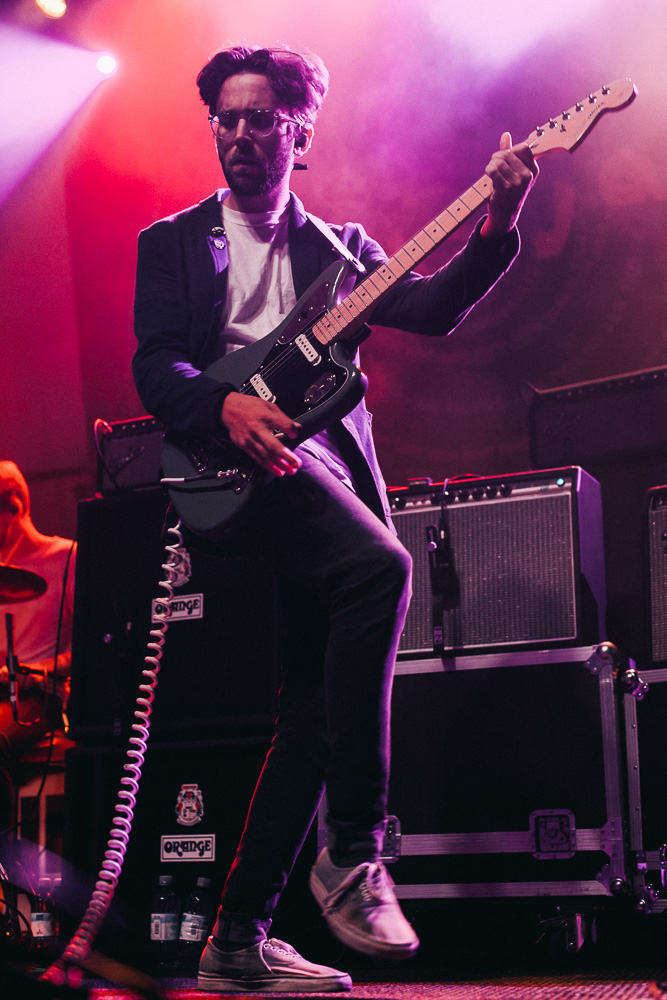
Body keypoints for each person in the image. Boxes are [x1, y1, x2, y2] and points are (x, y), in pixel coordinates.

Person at [132, 44, 537, 993]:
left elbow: (434, 310)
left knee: (313, 710)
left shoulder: (342, 252)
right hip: (226, 468)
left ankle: (237, 940)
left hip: (321, 472)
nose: (238, 134)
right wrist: (221, 405)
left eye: (259, 118)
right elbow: (156, 365)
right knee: (383, 568)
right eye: (224, 119)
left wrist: (499, 218)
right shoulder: (172, 242)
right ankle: (353, 849)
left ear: (298, 130)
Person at [0, 461, 76, 831]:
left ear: (14, 507)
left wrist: (40, 668)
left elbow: (92, 647)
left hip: (39, 698)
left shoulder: (66, 558)